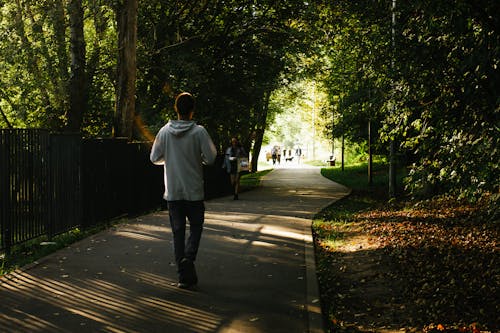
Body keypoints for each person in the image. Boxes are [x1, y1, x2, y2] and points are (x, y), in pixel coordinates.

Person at [150, 92, 217, 289]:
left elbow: (154, 158)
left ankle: (183, 277)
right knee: (196, 227)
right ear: (192, 110)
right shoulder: (199, 132)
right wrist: (199, 159)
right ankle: (189, 257)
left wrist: (168, 160)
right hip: (194, 191)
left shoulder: (163, 132)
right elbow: (211, 158)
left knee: (177, 233)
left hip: (173, 192)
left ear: (176, 109)